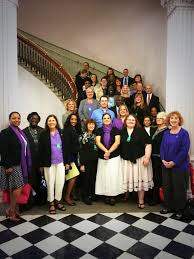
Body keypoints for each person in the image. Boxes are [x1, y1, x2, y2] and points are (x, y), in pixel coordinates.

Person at [0, 112, 31, 221]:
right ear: (10, 120)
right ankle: (11, 210)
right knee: (18, 187)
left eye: (18, 118)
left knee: (15, 187)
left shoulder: (21, 133)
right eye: (14, 118)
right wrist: (8, 166)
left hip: (20, 164)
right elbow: (3, 150)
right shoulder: (5, 132)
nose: (16, 120)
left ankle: (12, 210)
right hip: (11, 165)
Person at [160, 111, 190, 219]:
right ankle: (169, 207)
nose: (173, 120)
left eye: (176, 118)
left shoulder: (184, 133)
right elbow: (162, 147)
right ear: (169, 120)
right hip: (166, 165)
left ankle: (180, 209)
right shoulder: (166, 133)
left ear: (179, 120)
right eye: (171, 118)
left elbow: (184, 150)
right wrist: (163, 159)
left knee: (179, 188)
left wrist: (174, 162)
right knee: (167, 187)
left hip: (179, 166)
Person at [120, 114, 153, 208]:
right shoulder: (121, 132)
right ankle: (126, 196)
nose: (131, 121)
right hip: (126, 161)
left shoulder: (141, 131)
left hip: (140, 160)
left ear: (136, 122)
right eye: (129, 120)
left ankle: (141, 200)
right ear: (125, 121)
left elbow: (148, 144)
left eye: (133, 120)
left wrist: (147, 157)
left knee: (140, 181)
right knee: (127, 179)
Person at [39, 114, 66, 214]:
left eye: (53, 120)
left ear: (56, 122)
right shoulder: (43, 134)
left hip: (61, 162)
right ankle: (51, 203)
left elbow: (65, 148)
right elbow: (40, 150)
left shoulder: (61, 133)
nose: (51, 122)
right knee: (50, 182)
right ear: (47, 123)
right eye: (49, 121)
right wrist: (41, 165)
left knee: (60, 182)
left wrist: (66, 162)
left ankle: (58, 200)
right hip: (48, 163)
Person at [95, 113, 123, 205]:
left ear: (111, 120)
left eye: (108, 118)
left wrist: (109, 152)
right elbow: (98, 142)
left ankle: (113, 196)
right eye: (104, 118)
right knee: (104, 176)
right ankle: (106, 195)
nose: (106, 119)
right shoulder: (99, 130)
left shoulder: (116, 130)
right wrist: (106, 151)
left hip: (114, 156)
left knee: (113, 176)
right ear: (102, 120)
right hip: (102, 157)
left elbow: (117, 142)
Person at [23, 112, 44, 206]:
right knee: (31, 181)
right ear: (28, 119)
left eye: (36, 118)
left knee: (41, 181)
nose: (34, 120)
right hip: (29, 161)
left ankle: (40, 201)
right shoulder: (23, 132)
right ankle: (30, 201)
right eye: (32, 118)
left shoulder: (43, 131)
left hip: (40, 161)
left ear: (39, 120)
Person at [149, 112, 167, 206]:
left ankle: (157, 199)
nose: (158, 119)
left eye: (160, 118)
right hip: (153, 157)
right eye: (157, 118)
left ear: (165, 119)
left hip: (161, 158)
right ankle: (154, 196)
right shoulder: (155, 129)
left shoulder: (167, 131)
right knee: (154, 178)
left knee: (158, 179)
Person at [63, 113, 82, 205]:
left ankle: (71, 194)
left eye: (75, 119)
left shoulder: (76, 130)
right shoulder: (67, 130)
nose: (74, 121)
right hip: (69, 156)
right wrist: (67, 161)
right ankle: (67, 196)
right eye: (72, 119)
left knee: (73, 176)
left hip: (75, 156)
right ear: (68, 120)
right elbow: (65, 146)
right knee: (73, 176)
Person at [79, 119, 98, 205]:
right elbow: (80, 150)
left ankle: (91, 195)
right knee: (85, 179)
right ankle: (84, 196)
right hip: (85, 161)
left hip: (94, 161)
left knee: (92, 178)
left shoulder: (96, 135)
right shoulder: (83, 136)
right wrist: (81, 164)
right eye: (89, 124)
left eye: (93, 124)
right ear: (86, 125)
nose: (91, 126)